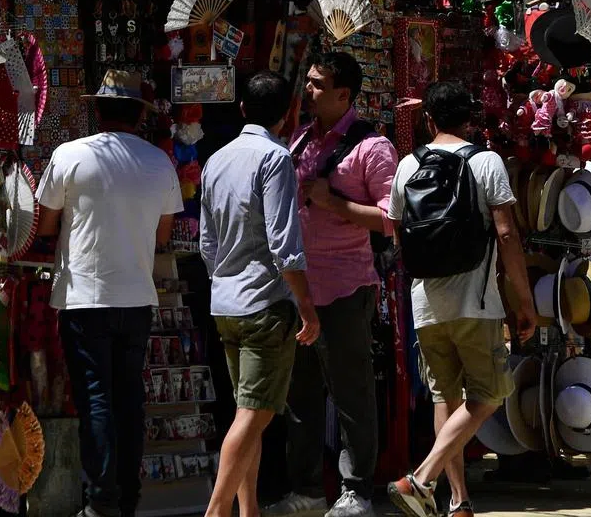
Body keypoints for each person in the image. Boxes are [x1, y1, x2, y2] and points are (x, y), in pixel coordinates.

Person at [35, 70, 185, 517]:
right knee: (128, 399)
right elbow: (162, 236)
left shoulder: (70, 155)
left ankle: (102, 499)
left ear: (97, 110)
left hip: (85, 297)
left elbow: (43, 226)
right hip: (136, 297)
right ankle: (127, 497)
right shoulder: (160, 163)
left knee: (97, 398)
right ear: (140, 114)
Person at [386, 81, 537, 517]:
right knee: (490, 394)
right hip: (476, 302)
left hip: (425, 304)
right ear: (469, 121)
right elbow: (506, 234)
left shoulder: (406, 166)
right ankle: (421, 478)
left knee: (445, 399)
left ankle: (458, 500)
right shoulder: (485, 161)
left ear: (428, 119)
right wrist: (523, 301)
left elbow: (397, 231)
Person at [267, 52, 398, 517]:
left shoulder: (372, 147)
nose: (309, 90)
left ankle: (357, 489)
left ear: (345, 94)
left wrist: (334, 203)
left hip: (344, 287)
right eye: (309, 82)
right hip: (300, 289)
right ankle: (305, 489)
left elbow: (390, 220)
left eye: (319, 85)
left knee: (351, 394)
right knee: (299, 396)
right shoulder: (302, 139)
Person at [200, 71, 321, 517]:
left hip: (227, 303)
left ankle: (247, 512)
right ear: (288, 115)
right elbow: (284, 244)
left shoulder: (217, 160)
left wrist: (226, 279)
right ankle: (217, 511)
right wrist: (307, 306)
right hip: (264, 305)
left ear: (243, 110)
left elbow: (208, 244)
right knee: (254, 415)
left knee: (246, 416)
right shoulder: (275, 159)